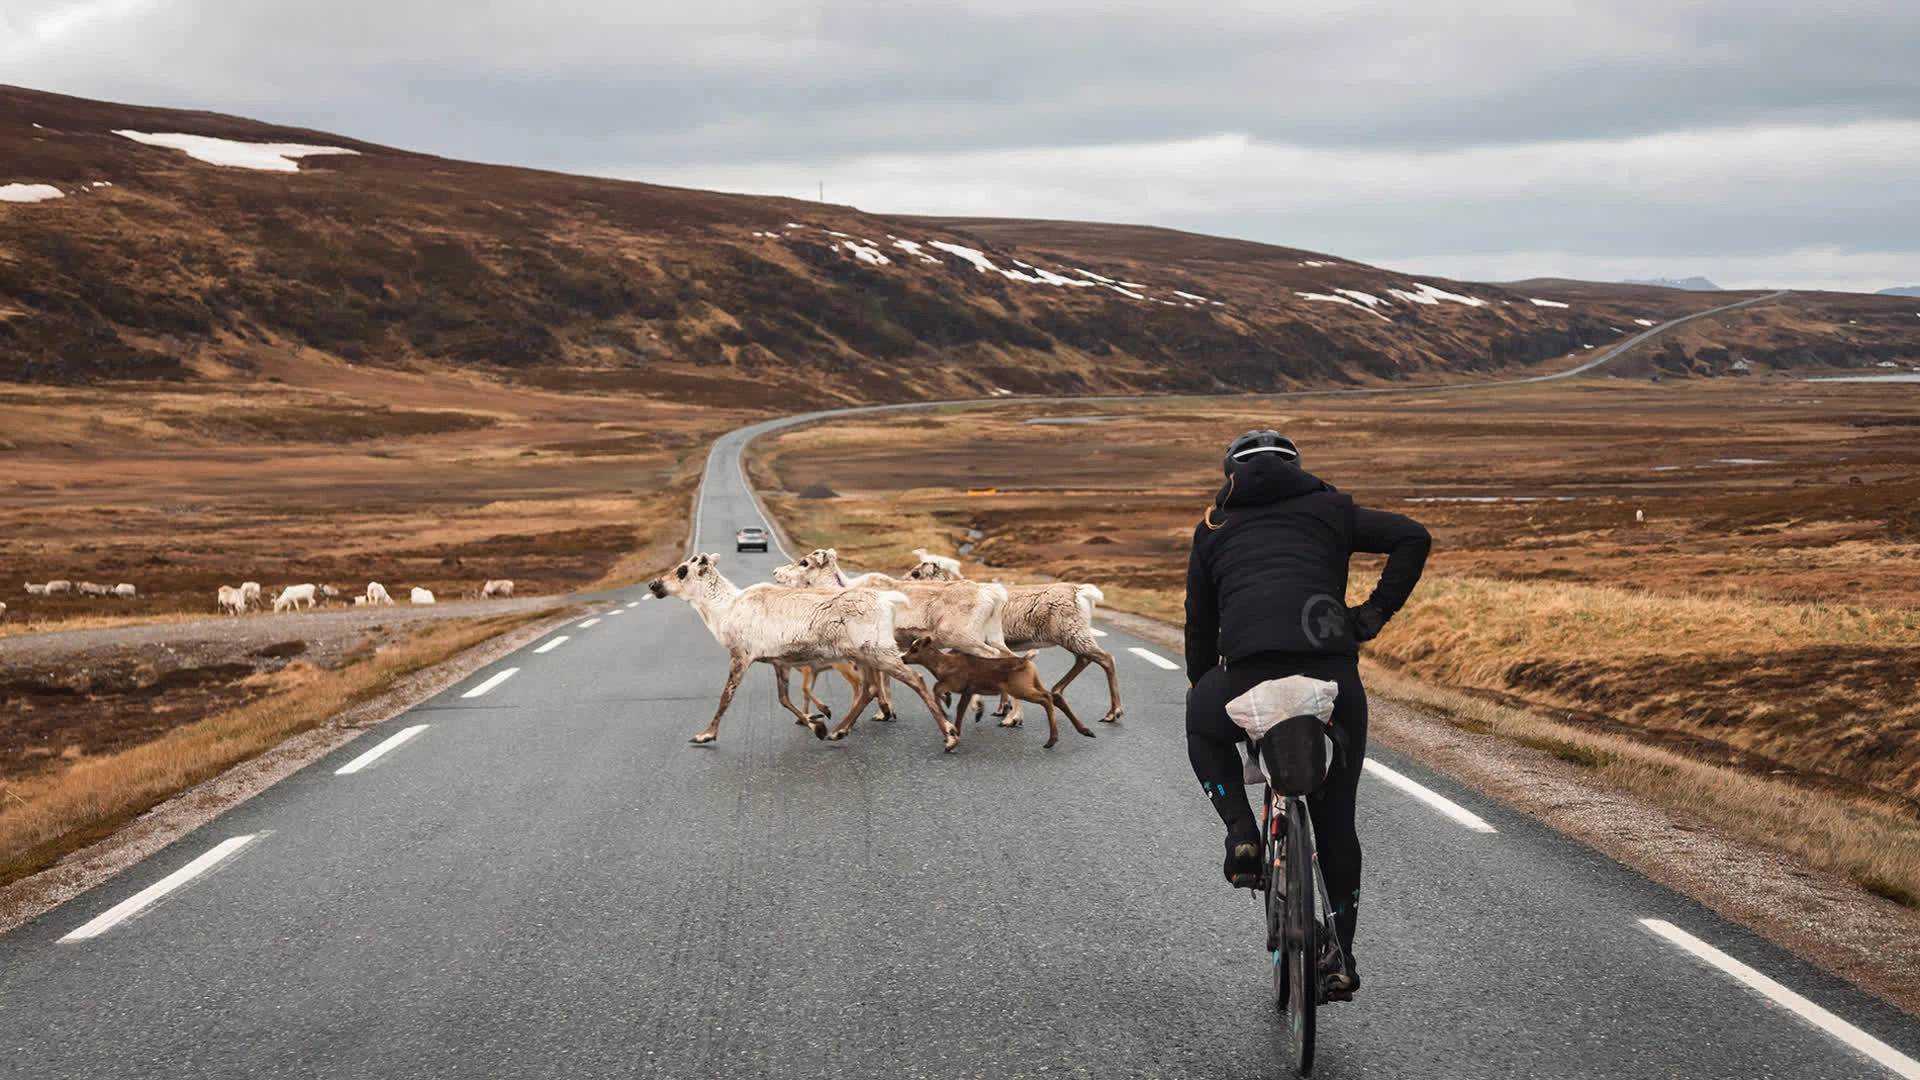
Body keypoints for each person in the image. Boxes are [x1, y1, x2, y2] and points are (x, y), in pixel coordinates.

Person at [1184, 429, 1430, 1000]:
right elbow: (1412, 537)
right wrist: (1369, 617)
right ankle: (1339, 956)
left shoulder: (1214, 528)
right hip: (1331, 677)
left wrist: (1206, 687)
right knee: (1336, 819)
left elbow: (1199, 622)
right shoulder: (1333, 510)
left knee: (1203, 724)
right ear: (1297, 467)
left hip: (1244, 673)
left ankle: (1242, 832)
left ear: (1231, 475)